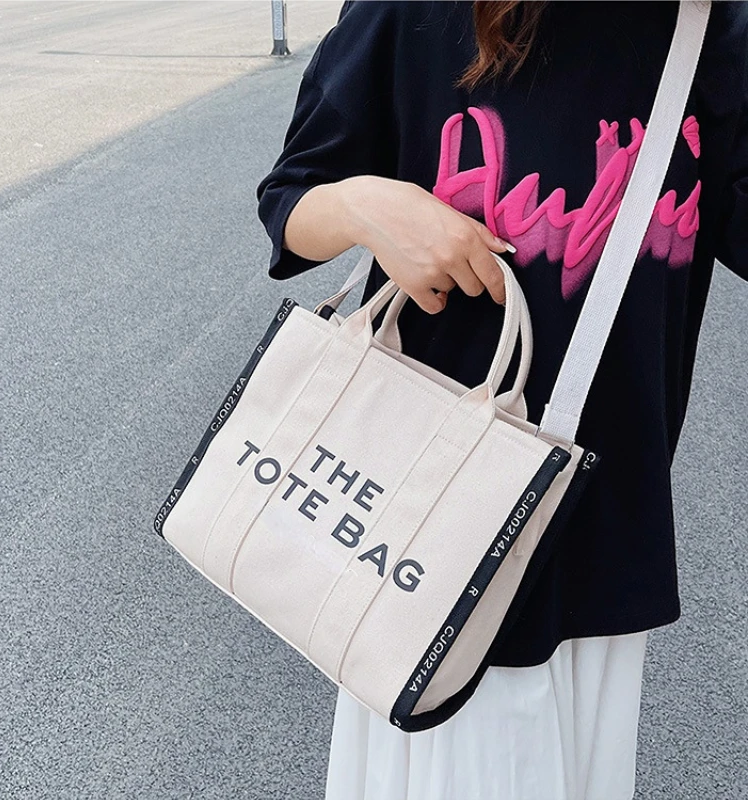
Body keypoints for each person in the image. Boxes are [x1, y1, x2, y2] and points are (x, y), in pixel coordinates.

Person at [255, 2, 748, 798]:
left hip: (598, 534)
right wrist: (369, 208)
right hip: (426, 534)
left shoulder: (707, 26)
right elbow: (292, 200)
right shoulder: (413, 12)